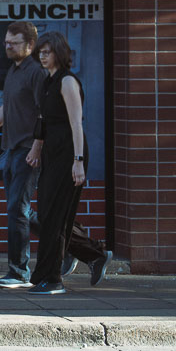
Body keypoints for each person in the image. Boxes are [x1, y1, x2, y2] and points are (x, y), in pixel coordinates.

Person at [24, 31, 113, 294]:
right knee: (48, 214)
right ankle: (64, 266)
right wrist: (36, 148)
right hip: (52, 151)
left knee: (56, 217)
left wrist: (78, 161)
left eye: (47, 51)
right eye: (40, 51)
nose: (42, 55)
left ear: (59, 54)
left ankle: (52, 279)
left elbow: (76, 124)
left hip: (69, 152)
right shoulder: (47, 81)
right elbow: (43, 120)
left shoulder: (67, 82)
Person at [0, 21, 46, 288]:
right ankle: (67, 244)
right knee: (19, 209)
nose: (7, 47)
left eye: (13, 43)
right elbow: (6, 107)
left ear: (30, 45)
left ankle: (19, 272)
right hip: (12, 147)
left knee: (17, 209)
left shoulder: (36, 72)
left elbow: (43, 113)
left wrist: (37, 147)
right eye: (6, 42)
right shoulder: (13, 71)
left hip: (28, 150)